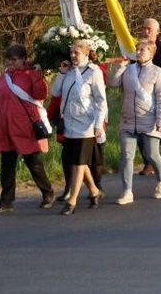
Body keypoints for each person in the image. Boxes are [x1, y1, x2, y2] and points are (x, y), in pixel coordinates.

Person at [0, 44, 54, 213]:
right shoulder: (4, 76)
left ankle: (48, 193)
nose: (9, 62)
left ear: (23, 59)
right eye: (8, 58)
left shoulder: (30, 74)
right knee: (7, 165)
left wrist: (36, 75)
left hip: (24, 128)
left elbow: (41, 94)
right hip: (6, 128)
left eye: (14, 59)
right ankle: (6, 201)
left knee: (33, 163)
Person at [108, 39, 161, 204]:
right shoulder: (129, 70)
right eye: (137, 49)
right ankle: (127, 191)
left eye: (143, 49)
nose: (138, 52)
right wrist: (120, 66)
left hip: (149, 120)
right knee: (126, 156)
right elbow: (112, 83)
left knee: (152, 154)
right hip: (128, 120)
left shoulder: (157, 72)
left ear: (151, 52)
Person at [51, 40, 107, 215]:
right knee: (78, 162)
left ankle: (72, 201)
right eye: (71, 52)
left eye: (77, 53)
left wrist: (98, 124)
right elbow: (55, 92)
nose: (73, 56)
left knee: (78, 163)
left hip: (86, 124)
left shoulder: (93, 72)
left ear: (86, 53)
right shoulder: (68, 72)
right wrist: (61, 72)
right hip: (69, 123)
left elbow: (100, 101)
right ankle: (95, 192)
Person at [138, 18, 161, 175]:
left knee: (160, 126)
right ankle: (148, 161)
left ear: (157, 31)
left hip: (160, 93)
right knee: (140, 128)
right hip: (142, 94)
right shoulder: (139, 47)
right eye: (144, 28)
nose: (146, 31)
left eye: (150, 29)